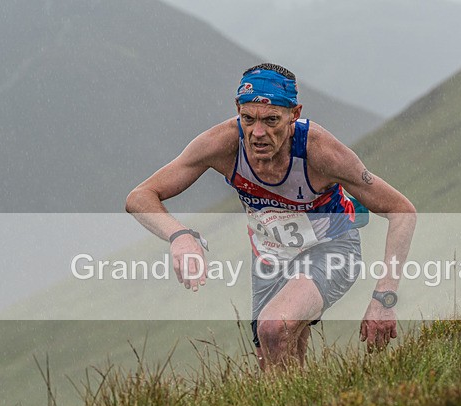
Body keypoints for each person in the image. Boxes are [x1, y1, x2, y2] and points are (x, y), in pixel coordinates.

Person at [126, 63, 416, 370]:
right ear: (237, 109)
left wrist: (384, 298)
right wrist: (179, 236)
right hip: (270, 258)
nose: (258, 133)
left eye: (271, 120)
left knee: (273, 328)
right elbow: (140, 196)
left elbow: (402, 212)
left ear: (294, 114)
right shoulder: (222, 145)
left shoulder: (321, 152)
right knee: (275, 362)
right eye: (248, 119)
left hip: (331, 247)